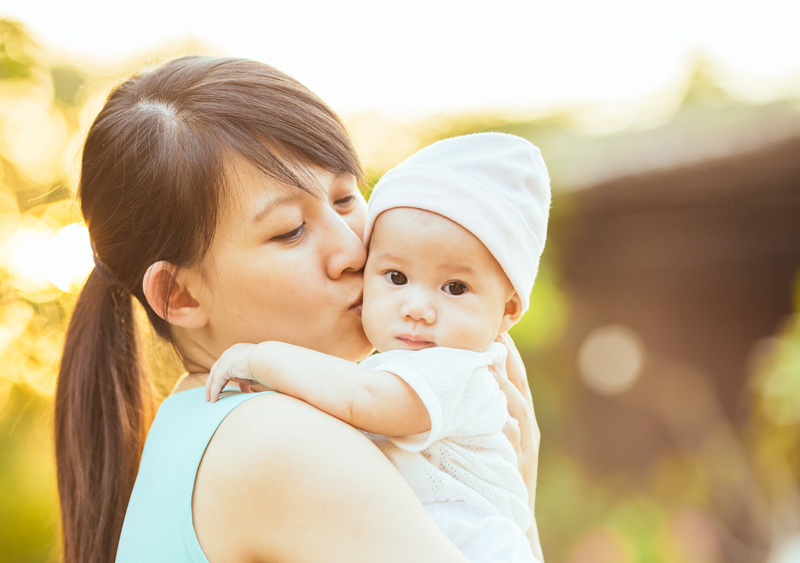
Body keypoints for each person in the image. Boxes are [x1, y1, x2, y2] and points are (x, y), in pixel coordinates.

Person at [53, 55, 541, 563]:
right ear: (181, 295)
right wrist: (516, 507)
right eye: (290, 230)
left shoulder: (190, 432)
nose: (352, 250)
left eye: (346, 197)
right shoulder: (279, 443)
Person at [206, 132, 550, 562]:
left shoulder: (458, 370)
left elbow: (364, 400)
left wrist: (261, 357)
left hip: (473, 538)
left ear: (508, 310)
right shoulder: (388, 371)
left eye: (455, 287)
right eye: (396, 277)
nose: (418, 309)